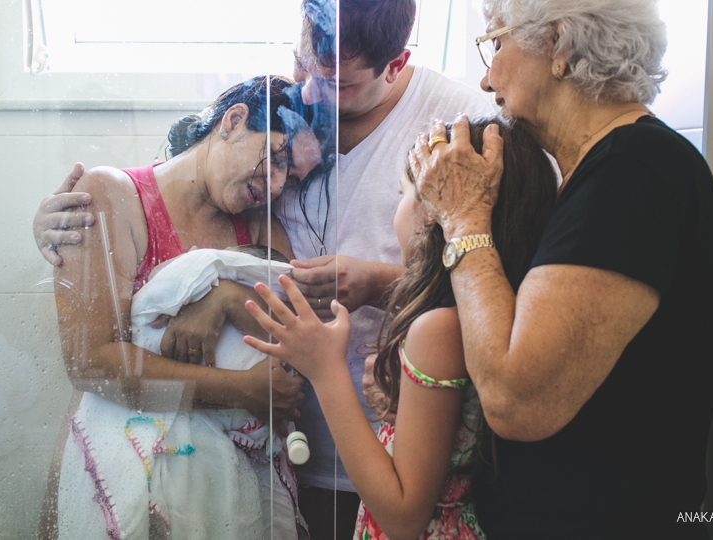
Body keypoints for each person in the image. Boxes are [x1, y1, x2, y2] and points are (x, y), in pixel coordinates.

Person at [33, 1, 493, 538]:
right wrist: (59, 229)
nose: (314, 92)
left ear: (396, 64)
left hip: (390, 449)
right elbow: (170, 187)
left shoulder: (458, 123)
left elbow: (493, 278)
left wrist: (366, 284)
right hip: (276, 453)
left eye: (338, 84)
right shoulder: (273, 141)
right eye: (304, 67)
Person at [407, 0, 713, 538]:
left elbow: (517, 400)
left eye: (495, 41)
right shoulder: (608, 172)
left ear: (557, 46)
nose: (487, 78)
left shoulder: (634, 174)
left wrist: (463, 216)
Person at [242, 117, 557, 540]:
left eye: (403, 194)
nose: (399, 208)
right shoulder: (493, 310)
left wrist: (324, 368)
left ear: (432, 212)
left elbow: (403, 516)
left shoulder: (438, 329)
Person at [45, 76, 321, 540]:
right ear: (233, 121)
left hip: (235, 482)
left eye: (289, 179)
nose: (274, 185)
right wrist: (239, 388)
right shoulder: (112, 195)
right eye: (274, 159)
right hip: (130, 457)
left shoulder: (260, 226)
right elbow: (90, 363)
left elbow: (293, 350)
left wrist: (227, 297)